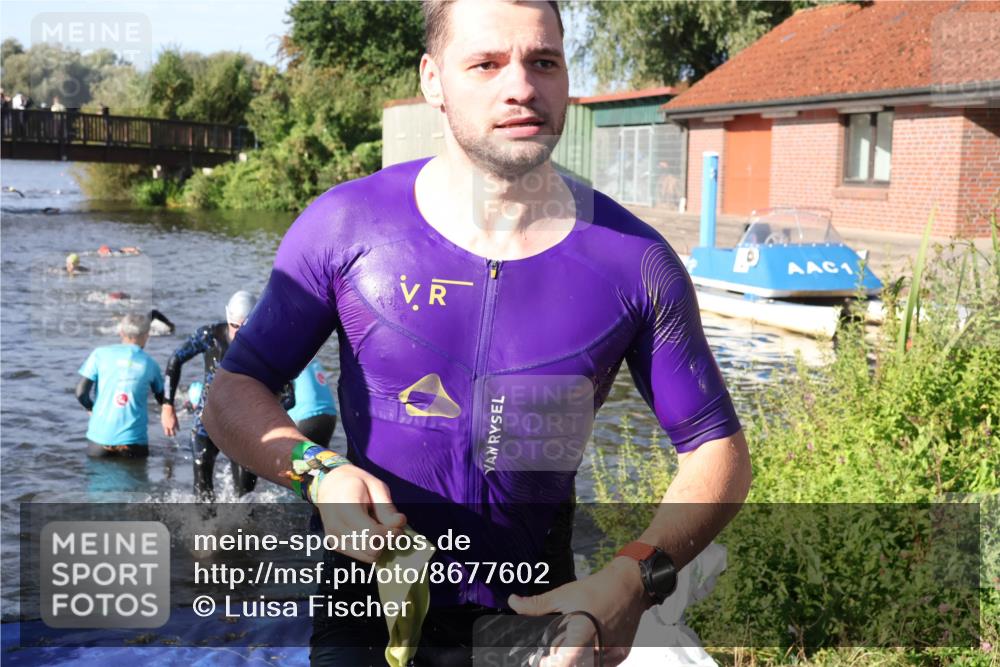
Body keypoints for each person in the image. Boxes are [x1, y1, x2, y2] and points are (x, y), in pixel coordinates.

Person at [203, 1, 751, 664]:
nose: (520, 86)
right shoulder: (345, 227)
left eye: (542, 61)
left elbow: (719, 453)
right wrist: (317, 472)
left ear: (566, 77)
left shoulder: (634, 262)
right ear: (433, 80)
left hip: (538, 615)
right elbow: (233, 390)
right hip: (367, 608)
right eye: (486, 63)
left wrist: (634, 577)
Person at [162, 290, 293, 501]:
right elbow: (175, 360)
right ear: (227, 318)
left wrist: (265, 417)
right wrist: (167, 405)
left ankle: (243, 534)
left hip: (246, 430)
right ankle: (204, 532)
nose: (239, 333)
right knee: (202, 493)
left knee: (244, 498)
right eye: (234, 326)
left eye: (245, 327)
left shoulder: (268, 347)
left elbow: (289, 395)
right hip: (207, 420)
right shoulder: (210, 336)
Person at [76, 312, 166, 458]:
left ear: (121, 332)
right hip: (134, 442)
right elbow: (164, 399)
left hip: (99, 441)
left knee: (98, 480)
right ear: (146, 336)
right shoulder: (150, 364)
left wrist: (90, 408)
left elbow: (80, 393)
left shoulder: (99, 354)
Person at [288, 357, 338, 447]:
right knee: (320, 456)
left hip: (306, 417)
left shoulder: (284, 359)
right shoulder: (311, 357)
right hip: (330, 415)